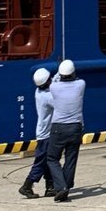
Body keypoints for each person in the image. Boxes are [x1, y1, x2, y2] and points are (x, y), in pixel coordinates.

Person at [46, 59, 86, 201]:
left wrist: (58, 70)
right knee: (71, 159)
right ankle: (66, 187)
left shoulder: (54, 88)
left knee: (52, 158)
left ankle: (61, 186)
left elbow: (55, 79)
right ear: (73, 72)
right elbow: (75, 77)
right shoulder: (81, 85)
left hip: (59, 127)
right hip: (76, 127)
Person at [19, 68, 55, 199]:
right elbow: (60, 102)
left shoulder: (38, 92)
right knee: (41, 162)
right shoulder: (47, 97)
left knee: (48, 161)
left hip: (43, 133)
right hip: (46, 135)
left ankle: (50, 187)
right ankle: (27, 186)